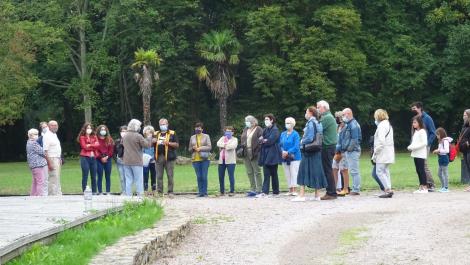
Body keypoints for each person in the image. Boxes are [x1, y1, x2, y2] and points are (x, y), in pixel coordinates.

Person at [293, 107, 327, 202]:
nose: (305, 114)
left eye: (306, 112)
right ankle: (317, 195)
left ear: (311, 113)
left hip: (308, 150)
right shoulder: (318, 122)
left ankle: (302, 195)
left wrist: (301, 141)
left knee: (303, 170)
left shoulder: (311, 123)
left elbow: (310, 137)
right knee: (316, 170)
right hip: (316, 150)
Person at [122, 119, 152, 196]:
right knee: (138, 180)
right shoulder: (138, 136)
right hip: (136, 161)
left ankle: (128, 196)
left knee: (128, 179)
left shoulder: (125, 135)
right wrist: (149, 137)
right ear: (136, 126)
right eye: (139, 126)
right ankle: (140, 196)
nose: (140, 128)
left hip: (126, 161)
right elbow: (147, 145)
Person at [411, 102, 436, 191]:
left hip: (424, 145)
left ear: (420, 108)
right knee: (419, 166)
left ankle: (430, 184)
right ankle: (423, 184)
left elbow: (433, 132)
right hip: (416, 146)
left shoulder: (427, 118)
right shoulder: (415, 119)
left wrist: (427, 144)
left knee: (424, 165)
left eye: (414, 108)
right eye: (412, 109)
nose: (413, 110)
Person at [317, 100, 338, 200]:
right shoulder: (328, 117)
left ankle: (331, 192)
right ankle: (331, 191)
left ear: (324, 108)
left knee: (327, 170)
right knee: (328, 169)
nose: (317, 109)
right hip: (329, 146)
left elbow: (318, 129)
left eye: (318, 107)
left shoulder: (327, 118)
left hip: (327, 146)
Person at [256, 114, 282, 198]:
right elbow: (259, 140)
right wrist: (264, 140)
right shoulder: (265, 129)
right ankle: (267, 191)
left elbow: (270, 141)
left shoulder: (275, 130)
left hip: (273, 154)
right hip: (265, 154)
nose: (265, 121)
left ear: (271, 120)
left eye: (267, 119)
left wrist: (264, 140)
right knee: (266, 173)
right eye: (265, 119)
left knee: (273, 173)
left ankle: (274, 192)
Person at [338, 108, 362, 195]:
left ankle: (356, 189)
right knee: (350, 170)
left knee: (354, 171)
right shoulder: (349, 124)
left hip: (353, 151)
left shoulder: (353, 125)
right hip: (348, 151)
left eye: (344, 115)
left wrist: (348, 149)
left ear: (348, 114)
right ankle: (353, 189)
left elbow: (355, 139)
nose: (343, 117)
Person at [372, 109, 395, 198]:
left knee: (379, 172)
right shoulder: (388, 124)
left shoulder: (381, 126)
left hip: (382, 153)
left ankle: (388, 190)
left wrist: (375, 153)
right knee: (385, 171)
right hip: (388, 152)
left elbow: (381, 142)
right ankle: (388, 189)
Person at [154, 118, 179, 197]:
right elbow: (150, 144)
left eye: (164, 124)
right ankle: (160, 192)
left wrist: (168, 143)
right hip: (159, 157)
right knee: (159, 176)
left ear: (167, 124)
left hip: (169, 157)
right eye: (161, 124)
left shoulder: (172, 133)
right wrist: (152, 141)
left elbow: (177, 145)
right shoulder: (156, 133)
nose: (162, 126)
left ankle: (170, 192)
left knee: (170, 175)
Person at [240, 115, 263, 197]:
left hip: (255, 152)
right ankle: (252, 188)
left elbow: (261, 140)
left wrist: (258, 149)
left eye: (248, 121)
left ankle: (259, 189)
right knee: (249, 171)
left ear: (253, 122)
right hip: (246, 153)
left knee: (257, 171)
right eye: (246, 121)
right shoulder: (245, 129)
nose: (246, 122)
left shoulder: (258, 129)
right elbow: (242, 139)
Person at [189, 122, 212, 197]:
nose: (197, 129)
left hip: (205, 159)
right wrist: (193, 148)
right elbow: (189, 149)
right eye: (196, 127)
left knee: (204, 176)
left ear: (202, 129)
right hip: (195, 159)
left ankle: (205, 192)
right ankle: (200, 192)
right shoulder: (192, 137)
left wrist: (200, 148)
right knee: (199, 176)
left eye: (199, 128)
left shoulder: (206, 136)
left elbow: (209, 147)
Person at [280, 117, 301, 196]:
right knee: (287, 173)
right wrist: (283, 151)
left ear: (292, 124)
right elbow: (280, 144)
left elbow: (296, 146)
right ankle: (290, 189)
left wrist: (288, 152)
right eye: (286, 123)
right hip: (284, 157)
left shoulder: (295, 134)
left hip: (294, 157)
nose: (287, 124)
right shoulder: (283, 134)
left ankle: (294, 190)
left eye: (288, 123)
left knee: (294, 173)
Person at [408, 115, 428, 193]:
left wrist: (414, 147)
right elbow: (414, 143)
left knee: (421, 170)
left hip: (420, 154)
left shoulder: (422, 131)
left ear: (419, 123)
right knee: (418, 170)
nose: (413, 124)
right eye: (413, 122)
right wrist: (410, 147)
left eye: (415, 122)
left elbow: (424, 143)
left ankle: (425, 187)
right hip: (416, 154)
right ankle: (421, 186)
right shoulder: (416, 132)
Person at [77, 123, 99, 193]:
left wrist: (90, 145)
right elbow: (84, 147)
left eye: (90, 128)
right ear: (84, 129)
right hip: (85, 158)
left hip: (93, 158)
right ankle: (84, 192)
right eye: (87, 128)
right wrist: (93, 146)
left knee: (94, 176)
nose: (89, 129)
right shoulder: (82, 137)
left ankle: (94, 192)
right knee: (85, 175)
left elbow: (98, 145)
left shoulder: (94, 136)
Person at [217, 126, 238, 196]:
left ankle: (232, 191)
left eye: (229, 131)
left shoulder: (235, 139)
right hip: (221, 161)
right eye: (226, 131)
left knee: (231, 176)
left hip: (231, 161)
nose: (227, 133)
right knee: (220, 176)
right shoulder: (222, 138)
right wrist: (226, 145)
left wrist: (224, 145)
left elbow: (232, 146)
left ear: (232, 132)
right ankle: (222, 191)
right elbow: (218, 144)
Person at [43, 120, 62, 195]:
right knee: (53, 178)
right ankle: (52, 195)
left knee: (57, 178)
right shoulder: (47, 136)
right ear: (48, 126)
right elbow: (45, 151)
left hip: (56, 158)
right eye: (53, 125)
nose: (55, 127)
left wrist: (59, 158)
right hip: (51, 158)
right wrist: (49, 163)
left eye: (56, 125)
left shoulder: (54, 134)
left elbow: (56, 148)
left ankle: (58, 194)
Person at [26, 129, 48, 196]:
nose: (36, 136)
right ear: (30, 135)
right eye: (35, 134)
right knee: (40, 181)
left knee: (35, 181)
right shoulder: (34, 143)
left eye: (37, 134)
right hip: (37, 164)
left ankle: (33, 195)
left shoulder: (28, 142)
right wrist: (45, 150)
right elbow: (42, 152)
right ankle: (39, 195)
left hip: (33, 165)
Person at [333, 111, 349, 196]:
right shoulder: (337, 127)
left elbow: (345, 140)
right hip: (337, 150)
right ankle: (334, 188)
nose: (336, 118)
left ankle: (346, 189)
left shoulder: (346, 127)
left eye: (337, 117)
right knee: (334, 167)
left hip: (343, 150)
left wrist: (343, 149)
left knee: (344, 169)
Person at [95, 125, 114, 195]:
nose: (103, 131)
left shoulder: (110, 139)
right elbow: (95, 150)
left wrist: (107, 157)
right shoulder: (95, 139)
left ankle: (108, 191)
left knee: (107, 176)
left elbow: (111, 150)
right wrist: (101, 158)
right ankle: (99, 191)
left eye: (104, 129)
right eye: (101, 129)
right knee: (99, 175)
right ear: (99, 130)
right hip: (98, 160)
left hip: (108, 159)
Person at [433, 127, 452, 193]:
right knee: (439, 174)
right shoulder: (440, 141)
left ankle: (446, 187)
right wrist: (437, 152)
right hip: (440, 158)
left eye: (438, 135)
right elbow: (440, 150)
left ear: (441, 134)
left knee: (445, 173)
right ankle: (443, 186)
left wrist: (438, 150)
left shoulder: (445, 141)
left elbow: (447, 150)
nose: (437, 136)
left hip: (444, 158)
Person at [143, 125, 157, 195]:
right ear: (145, 134)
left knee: (153, 175)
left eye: (150, 133)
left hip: (153, 161)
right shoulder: (143, 141)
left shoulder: (155, 141)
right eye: (147, 133)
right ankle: (145, 190)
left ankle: (154, 190)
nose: (149, 135)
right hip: (145, 162)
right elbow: (142, 151)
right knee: (145, 176)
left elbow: (157, 150)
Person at [114, 126, 127, 194]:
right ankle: (123, 191)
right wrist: (116, 159)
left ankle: (128, 191)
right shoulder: (117, 141)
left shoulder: (129, 141)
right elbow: (114, 151)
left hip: (127, 161)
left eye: (125, 131)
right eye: (122, 131)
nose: (123, 133)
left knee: (127, 177)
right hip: (119, 162)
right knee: (122, 178)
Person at [459, 109, 470, 192]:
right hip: (465, 150)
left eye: (465, 115)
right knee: (468, 167)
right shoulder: (465, 125)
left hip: (468, 149)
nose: (463, 117)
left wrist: (467, 143)